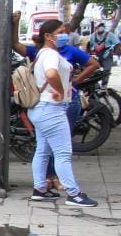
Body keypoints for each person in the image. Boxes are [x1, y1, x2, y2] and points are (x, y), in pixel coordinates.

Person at [27, 19, 98, 207]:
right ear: (48, 36)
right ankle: (73, 193)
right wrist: (58, 90)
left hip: (42, 108)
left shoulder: (43, 53)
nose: (64, 34)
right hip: (51, 109)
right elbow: (51, 75)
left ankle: (40, 189)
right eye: (60, 31)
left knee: (43, 150)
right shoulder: (50, 55)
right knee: (63, 153)